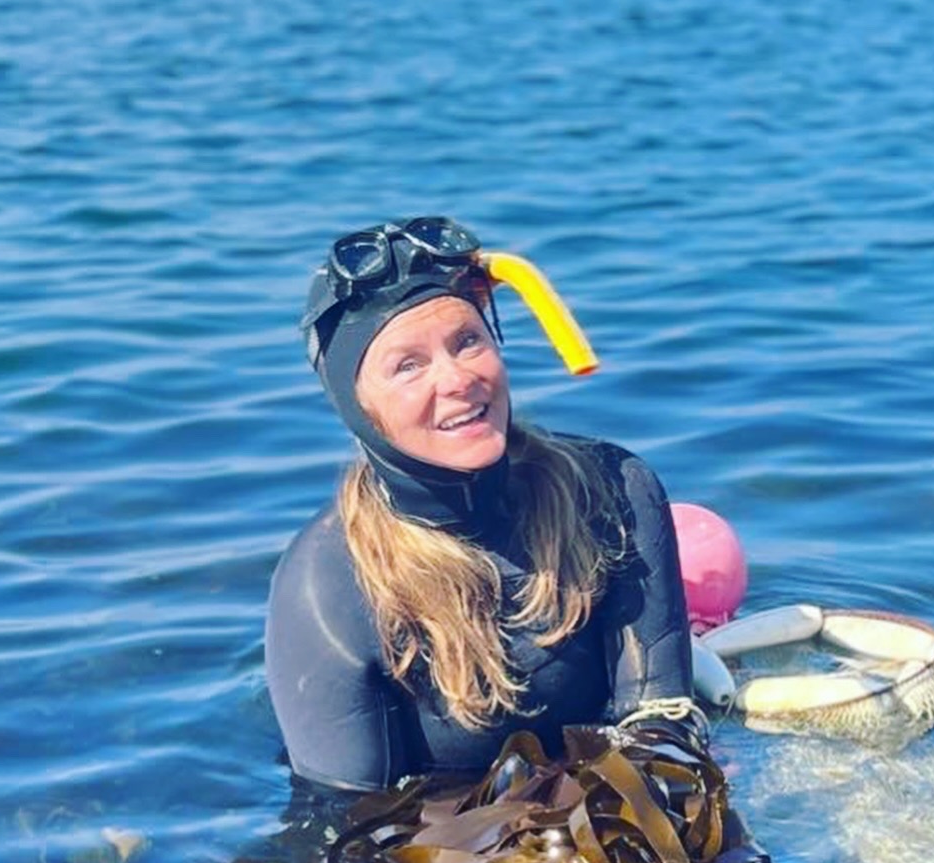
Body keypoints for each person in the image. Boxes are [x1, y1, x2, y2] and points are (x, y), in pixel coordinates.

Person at [265, 216, 698, 792]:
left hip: (603, 825)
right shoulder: (329, 585)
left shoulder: (613, 491)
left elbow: (659, 729)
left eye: (467, 341)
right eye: (408, 365)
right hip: (441, 850)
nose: (457, 378)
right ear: (358, 406)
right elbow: (342, 822)